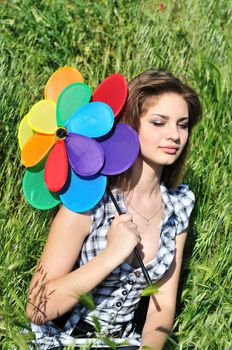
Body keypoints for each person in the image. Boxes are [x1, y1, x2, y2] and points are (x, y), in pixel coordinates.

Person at [26, 69, 202, 350]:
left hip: (125, 343)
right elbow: (38, 307)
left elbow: (163, 304)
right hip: (65, 340)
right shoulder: (89, 200)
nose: (175, 135)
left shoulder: (178, 205)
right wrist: (110, 255)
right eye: (159, 122)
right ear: (131, 124)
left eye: (182, 125)